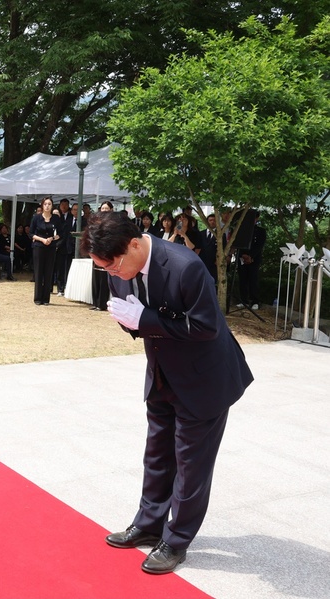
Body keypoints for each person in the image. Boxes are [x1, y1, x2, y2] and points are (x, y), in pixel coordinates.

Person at [81, 210, 253, 575]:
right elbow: (137, 321)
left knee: (192, 467)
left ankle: (176, 541)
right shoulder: (118, 268)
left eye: (112, 267)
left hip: (204, 379)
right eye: (103, 270)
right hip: (162, 374)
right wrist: (130, 322)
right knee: (157, 455)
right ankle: (149, 523)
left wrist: (144, 320)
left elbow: (205, 326)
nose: (111, 275)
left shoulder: (184, 265)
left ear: (132, 244)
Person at [29, 197, 61, 304]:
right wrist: (42, 239)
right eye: (45, 204)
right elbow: (31, 233)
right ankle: (38, 298)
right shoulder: (36, 218)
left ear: (52, 206)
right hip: (39, 247)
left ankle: (46, 298)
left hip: (51, 248)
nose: (47, 206)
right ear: (42, 205)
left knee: (48, 272)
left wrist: (52, 239)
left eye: (49, 204)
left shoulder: (56, 219)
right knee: (39, 272)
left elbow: (60, 233)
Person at [237, 210, 266, 309]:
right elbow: (238, 244)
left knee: (253, 279)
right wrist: (243, 255)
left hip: (254, 258)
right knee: (242, 279)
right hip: (242, 257)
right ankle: (243, 300)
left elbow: (259, 245)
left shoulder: (261, 231)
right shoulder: (241, 229)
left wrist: (251, 256)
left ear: (257, 219)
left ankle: (255, 301)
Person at [89, 202, 114, 311]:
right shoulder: (96, 222)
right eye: (102, 208)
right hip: (96, 251)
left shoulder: (113, 223)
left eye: (106, 208)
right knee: (96, 278)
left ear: (111, 210)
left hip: (107, 252)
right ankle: (95, 302)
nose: (104, 210)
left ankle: (102, 304)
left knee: (104, 279)